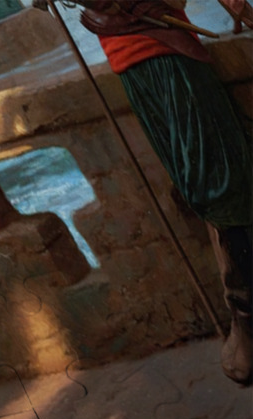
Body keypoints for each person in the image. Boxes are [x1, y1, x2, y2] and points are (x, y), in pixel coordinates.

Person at [71, 0, 253, 384]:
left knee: (220, 186)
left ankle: (247, 320)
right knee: (204, 190)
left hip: (169, 54)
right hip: (131, 65)